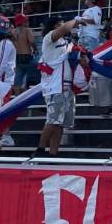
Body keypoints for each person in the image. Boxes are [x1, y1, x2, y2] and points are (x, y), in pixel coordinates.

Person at [35, 17, 80, 157]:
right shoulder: (49, 39)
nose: (64, 26)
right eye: (61, 24)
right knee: (52, 121)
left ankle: (53, 153)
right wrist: (77, 20)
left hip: (67, 86)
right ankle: (40, 150)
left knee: (60, 124)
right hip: (55, 87)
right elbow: (66, 28)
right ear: (55, 26)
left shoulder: (65, 42)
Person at [11, 13, 39, 95]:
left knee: (17, 81)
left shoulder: (12, 32)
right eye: (26, 20)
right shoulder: (27, 30)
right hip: (27, 57)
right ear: (22, 22)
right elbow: (32, 41)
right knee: (35, 77)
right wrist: (36, 49)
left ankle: (17, 99)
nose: (28, 22)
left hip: (17, 58)